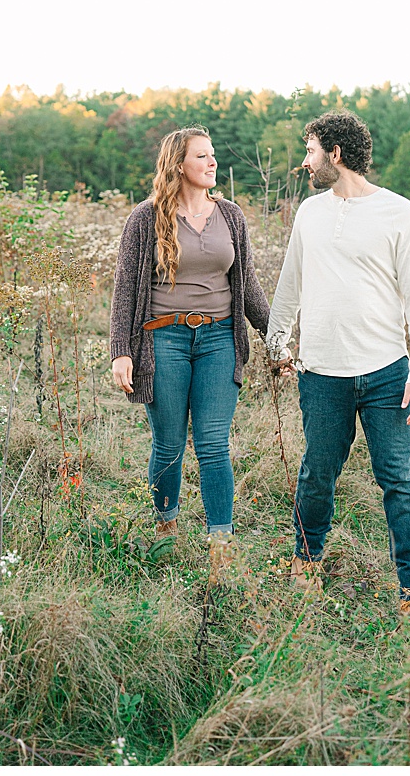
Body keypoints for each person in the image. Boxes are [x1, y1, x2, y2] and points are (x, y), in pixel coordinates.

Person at [266, 111, 410, 612]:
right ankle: (306, 563)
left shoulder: (400, 213)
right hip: (321, 373)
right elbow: (290, 285)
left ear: (335, 154)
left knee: (400, 480)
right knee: (318, 473)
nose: (305, 161)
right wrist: (278, 344)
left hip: (387, 372)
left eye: (311, 151)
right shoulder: (309, 214)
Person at [110, 126, 271, 581]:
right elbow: (125, 290)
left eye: (213, 155)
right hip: (163, 341)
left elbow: (248, 286)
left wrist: (274, 338)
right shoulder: (146, 218)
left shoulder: (231, 216)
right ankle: (167, 528)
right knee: (169, 443)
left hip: (220, 339)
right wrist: (121, 351)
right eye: (203, 156)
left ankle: (221, 541)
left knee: (214, 442)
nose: (213, 162)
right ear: (179, 164)